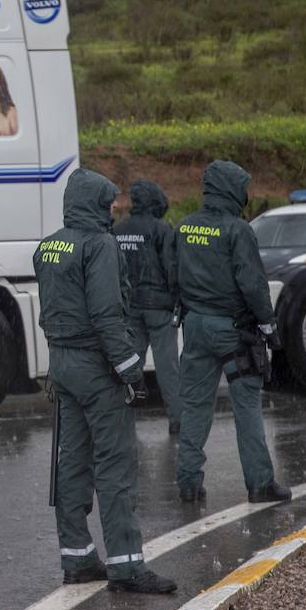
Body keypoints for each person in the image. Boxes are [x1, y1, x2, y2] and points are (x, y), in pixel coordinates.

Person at [34, 168, 177, 595]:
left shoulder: (49, 247)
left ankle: (77, 558)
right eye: (109, 200)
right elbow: (106, 315)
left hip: (62, 365)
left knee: (73, 462)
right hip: (96, 368)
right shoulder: (100, 245)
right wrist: (131, 370)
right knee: (115, 464)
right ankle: (126, 566)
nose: (115, 207)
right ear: (94, 201)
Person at [175, 161, 292, 505]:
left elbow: (174, 275)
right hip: (233, 330)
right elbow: (253, 283)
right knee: (246, 407)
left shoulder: (183, 227)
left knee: (194, 406)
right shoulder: (237, 230)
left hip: (194, 325)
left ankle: (188, 483)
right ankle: (260, 484)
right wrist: (269, 326)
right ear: (231, 189)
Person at [115, 180, 184, 435]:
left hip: (130, 308)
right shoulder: (161, 229)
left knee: (130, 366)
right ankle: (177, 420)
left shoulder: (118, 230)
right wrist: (178, 298)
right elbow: (172, 269)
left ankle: (122, 418)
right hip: (159, 308)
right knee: (168, 367)